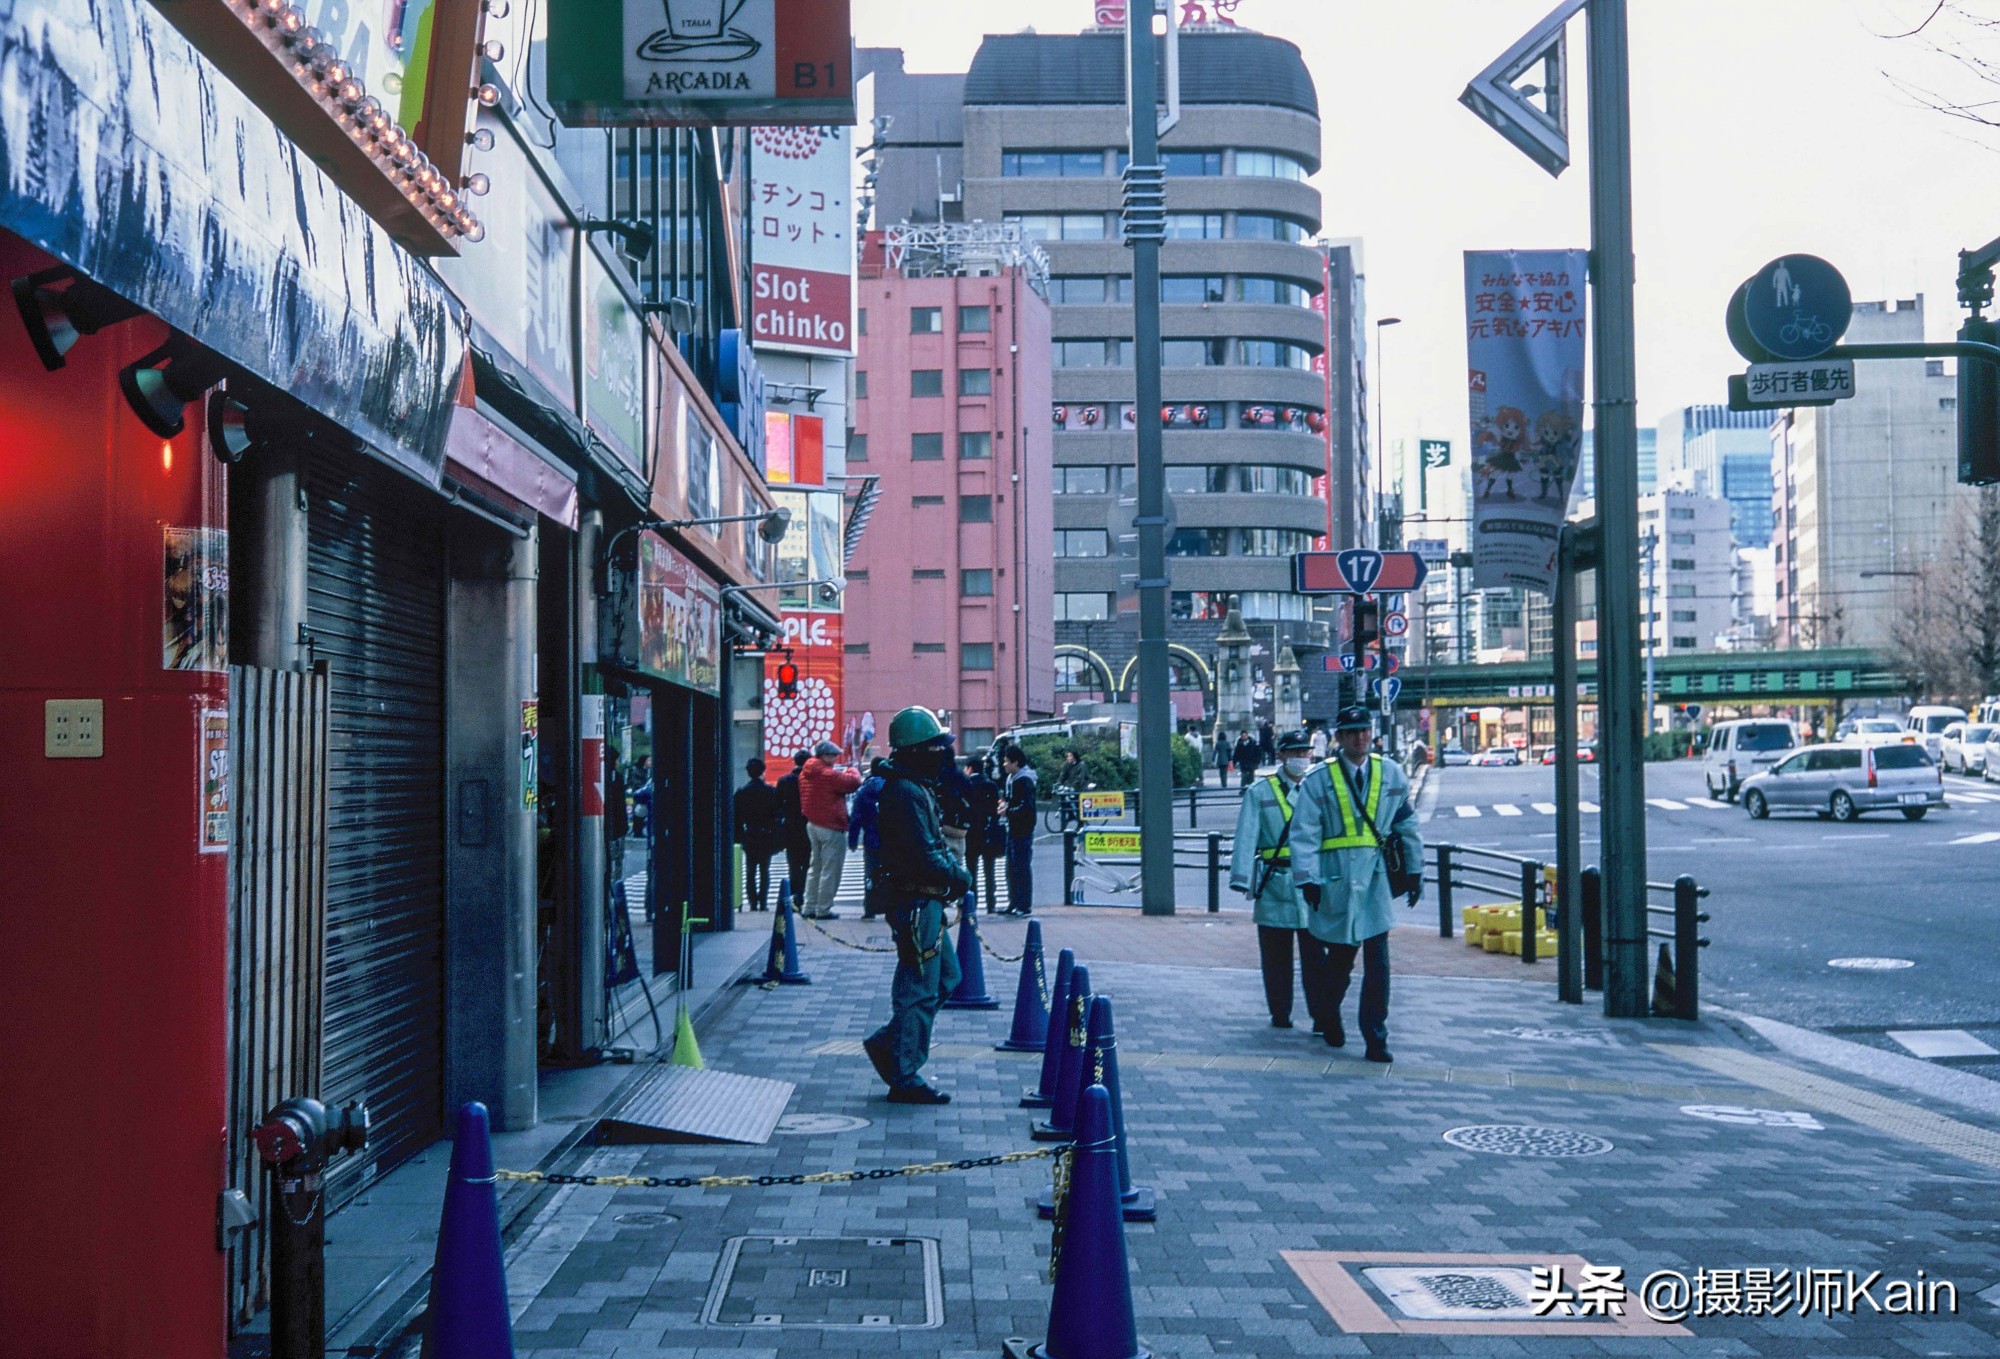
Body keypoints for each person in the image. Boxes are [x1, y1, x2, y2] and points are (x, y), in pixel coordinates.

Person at [1290, 705, 1423, 1064]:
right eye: (1352, 731)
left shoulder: (1391, 773)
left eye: (1365, 730)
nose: (1360, 736)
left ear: (1372, 733)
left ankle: (1376, 1037)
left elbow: (1406, 825)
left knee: (1379, 963)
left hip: (1375, 880)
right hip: (1336, 880)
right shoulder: (1319, 779)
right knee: (1340, 962)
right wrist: (1307, 879)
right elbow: (1303, 833)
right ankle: (1329, 1015)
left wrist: (1415, 871)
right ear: (1339, 738)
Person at [862, 707, 972, 1104]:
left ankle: (891, 1046)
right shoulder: (906, 792)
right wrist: (960, 876)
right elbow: (926, 853)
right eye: (934, 746)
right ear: (915, 750)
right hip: (915, 900)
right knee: (919, 988)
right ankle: (904, 1072)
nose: (941, 753)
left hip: (923, 899)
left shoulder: (912, 785)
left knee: (944, 979)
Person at [1229, 730, 1330, 1032]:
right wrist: (1241, 878)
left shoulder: (1320, 789)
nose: (1301, 758)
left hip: (1311, 883)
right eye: (1295, 752)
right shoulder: (1259, 792)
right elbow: (1246, 837)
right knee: (1276, 958)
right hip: (1274, 881)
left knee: (1317, 958)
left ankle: (1320, 1015)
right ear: (1281, 755)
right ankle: (1280, 1013)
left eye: (1305, 752)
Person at [800, 741, 863, 919]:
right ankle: (823, 908)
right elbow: (853, 783)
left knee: (815, 868)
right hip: (831, 826)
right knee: (830, 870)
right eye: (833, 755)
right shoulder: (827, 774)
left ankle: (809, 906)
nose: (836, 759)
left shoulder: (806, 773)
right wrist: (852, 770)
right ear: (824, 756)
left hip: (812, 824)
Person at [733, 758, 782, 912]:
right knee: (764, 870)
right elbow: (777, 815)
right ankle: (763, 902)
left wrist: (739, 837)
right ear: (763, 771)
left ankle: (753, 903)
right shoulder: (770, 792)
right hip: (766, 834)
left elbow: (736, 817)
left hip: (750, 834)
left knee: (750, 870)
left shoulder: (741, 793)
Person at [962, 756, 1004, 914]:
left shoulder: (967, 786)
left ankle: (973, 903)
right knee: (989, 869)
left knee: (971, 869)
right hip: (988, 832)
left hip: (972, 833)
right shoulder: (991, 786)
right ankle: (991, 904)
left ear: (970, 768)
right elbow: (996, 810)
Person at [848, 759, 889, 919]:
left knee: (870, 873)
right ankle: (889, 904)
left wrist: (852, 840)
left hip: (871, 838)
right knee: (891, 872)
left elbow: (856, 818)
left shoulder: (864, 790)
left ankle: (870, 908)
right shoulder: (892, 786)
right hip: (891, 839)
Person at [1000, 745, 1038, 915]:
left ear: (1016, 763)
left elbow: (1026, 808)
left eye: (1007, 761)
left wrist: (1008, 811)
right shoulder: (1012, 779)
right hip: (1013, 828)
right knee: (1011, 867)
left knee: (1021, 867)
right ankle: (1013, 902)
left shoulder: (1025, 780)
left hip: (1022, 830)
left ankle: (1024, 905)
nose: (1004, 764)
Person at [775, 751, 811, 909]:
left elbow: (777, 805)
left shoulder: (784, 781)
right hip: (808, 827)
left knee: (793, 863)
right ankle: (802, 894)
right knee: (808, 863)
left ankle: (795, 894)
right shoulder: (810, 780)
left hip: (790, 828)